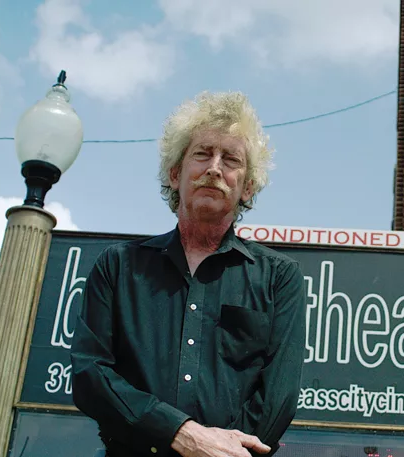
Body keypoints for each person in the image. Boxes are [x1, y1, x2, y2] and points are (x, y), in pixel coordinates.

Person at [71, 92, 306, 457]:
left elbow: (279, 397)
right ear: (176, 172)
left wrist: (223, 451)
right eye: (203, 153)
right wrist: (181, 434)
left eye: (230, 160)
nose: (214, 167)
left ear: (247, 189)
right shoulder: (117, 266)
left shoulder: (280, 277)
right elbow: (90, 375)